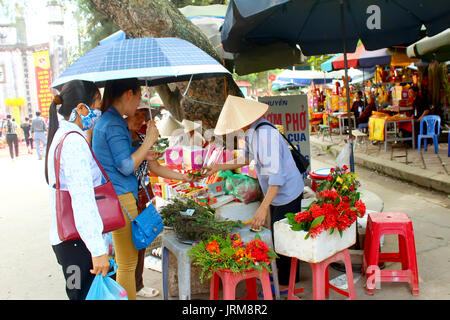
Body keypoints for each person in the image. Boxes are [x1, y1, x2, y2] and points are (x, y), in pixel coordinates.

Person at [204, 95, 304, 293]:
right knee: (278, 236)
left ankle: (286, 286)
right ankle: (284, 279)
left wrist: (262, 208)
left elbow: (276, 180)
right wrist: (218, 167)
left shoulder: (266, 135)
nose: (234, 128)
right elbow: (245, 159)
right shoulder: (251, 132)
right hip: (275, 193)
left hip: (287, 192)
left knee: (285, 239)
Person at [92, 78, 163, 300]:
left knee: (127, 263)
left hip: (117, 196)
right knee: (128, 264)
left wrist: (145, 152)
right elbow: (124, 166)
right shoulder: (113, 123)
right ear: (129, 94)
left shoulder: (110, 120)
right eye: (139, 97)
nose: (139, 105)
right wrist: (148, 141)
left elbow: (118, 160)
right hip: (121, 197)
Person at [123, 102, 195, 298]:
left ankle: (137, 284)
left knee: (141, 241)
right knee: (124, 250)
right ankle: (126, 287)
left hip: (142, 196)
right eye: (138, 114)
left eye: (144, 116)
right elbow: (125, 167)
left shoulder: (140, 137)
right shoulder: (120, 141)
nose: (141, 120)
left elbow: (154, 168)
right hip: (124, 200)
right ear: (125, 114)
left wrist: (184, 177)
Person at [45, 80, 109, 300]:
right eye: (97, 106)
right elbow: (82, 198)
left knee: (76, 293)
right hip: (79, 245)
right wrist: (97, 250)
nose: (99, 112)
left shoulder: (63, 135)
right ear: (82, 108)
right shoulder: (73, 142)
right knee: (83, 294)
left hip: (69, 242)